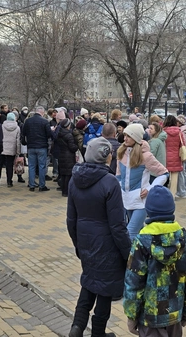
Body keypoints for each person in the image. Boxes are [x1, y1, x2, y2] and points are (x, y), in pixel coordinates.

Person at [67, 137, 131, 337]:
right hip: (107, 245)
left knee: (89, 283)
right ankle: (98, 333)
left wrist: (79, 245)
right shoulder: (109, 181)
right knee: (104, 289)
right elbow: (118, 225)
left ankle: (77, 328)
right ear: (106, 156)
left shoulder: (74, 178)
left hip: (86, 242)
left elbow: (71, 219)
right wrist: (128, 253)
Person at [124, 186, 186, 337]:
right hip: (175, 312)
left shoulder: (142, 241)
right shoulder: (184, 238)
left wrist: (131, 315)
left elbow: (133, 283)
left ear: (149, 211)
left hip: (150, 316)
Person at [117, 124, 170, 240]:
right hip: (125, 200)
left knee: (130, 232)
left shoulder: (146, 155)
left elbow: (164, 173)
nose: (125, 138)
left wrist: (150, 189)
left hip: (141, 202)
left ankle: (129, 258)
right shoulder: (121, 152)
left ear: (136, 138)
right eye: (124, 135)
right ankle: (143, 255)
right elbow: (119, 176)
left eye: (129, 136)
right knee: (138, 232)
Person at [22, 106, 53, 192]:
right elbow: (49, 134)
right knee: (41, 166)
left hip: (31, 146)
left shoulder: (28, 121)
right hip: (42, 147)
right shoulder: (45, 121)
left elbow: (24, 133)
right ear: (42, 112)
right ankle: (42, 186)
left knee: (31, 166)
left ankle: (31, 185)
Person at [162, 115, 186, 197]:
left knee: (164, 176)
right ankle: (172, 195)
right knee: (175, 178)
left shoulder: (163, 132)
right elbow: (182, 144)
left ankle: (164, 194)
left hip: (165, 156)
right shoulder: (179, 132)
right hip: (176, 156)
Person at [55, 116, 78, 197]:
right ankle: (66, 191)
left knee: (63, 174)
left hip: (61, 155)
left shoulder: (59, 134)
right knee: (68, 174)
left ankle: (63, 190)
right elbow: (72, 147)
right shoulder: (69, 135)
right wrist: (77, 146)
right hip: (68, 156)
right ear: (68, 125)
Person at [0, 112, 21, 187]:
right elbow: (18, 141)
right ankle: (9, 181)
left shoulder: (2, 126)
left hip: (2, 148)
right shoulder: (17, 127)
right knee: (9, 166)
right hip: (12, 149)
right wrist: (18, 151)